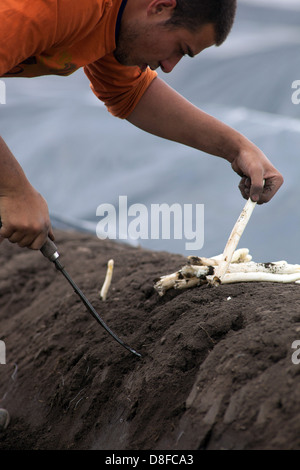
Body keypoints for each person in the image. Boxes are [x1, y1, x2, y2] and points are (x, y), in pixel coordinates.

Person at [0, 0, 283, 251]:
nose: (170, 66)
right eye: (180, 49)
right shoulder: (61, 6)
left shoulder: (115, 23)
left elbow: (132, 94)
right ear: (159, 7)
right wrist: (14, 190)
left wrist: (237, 148)